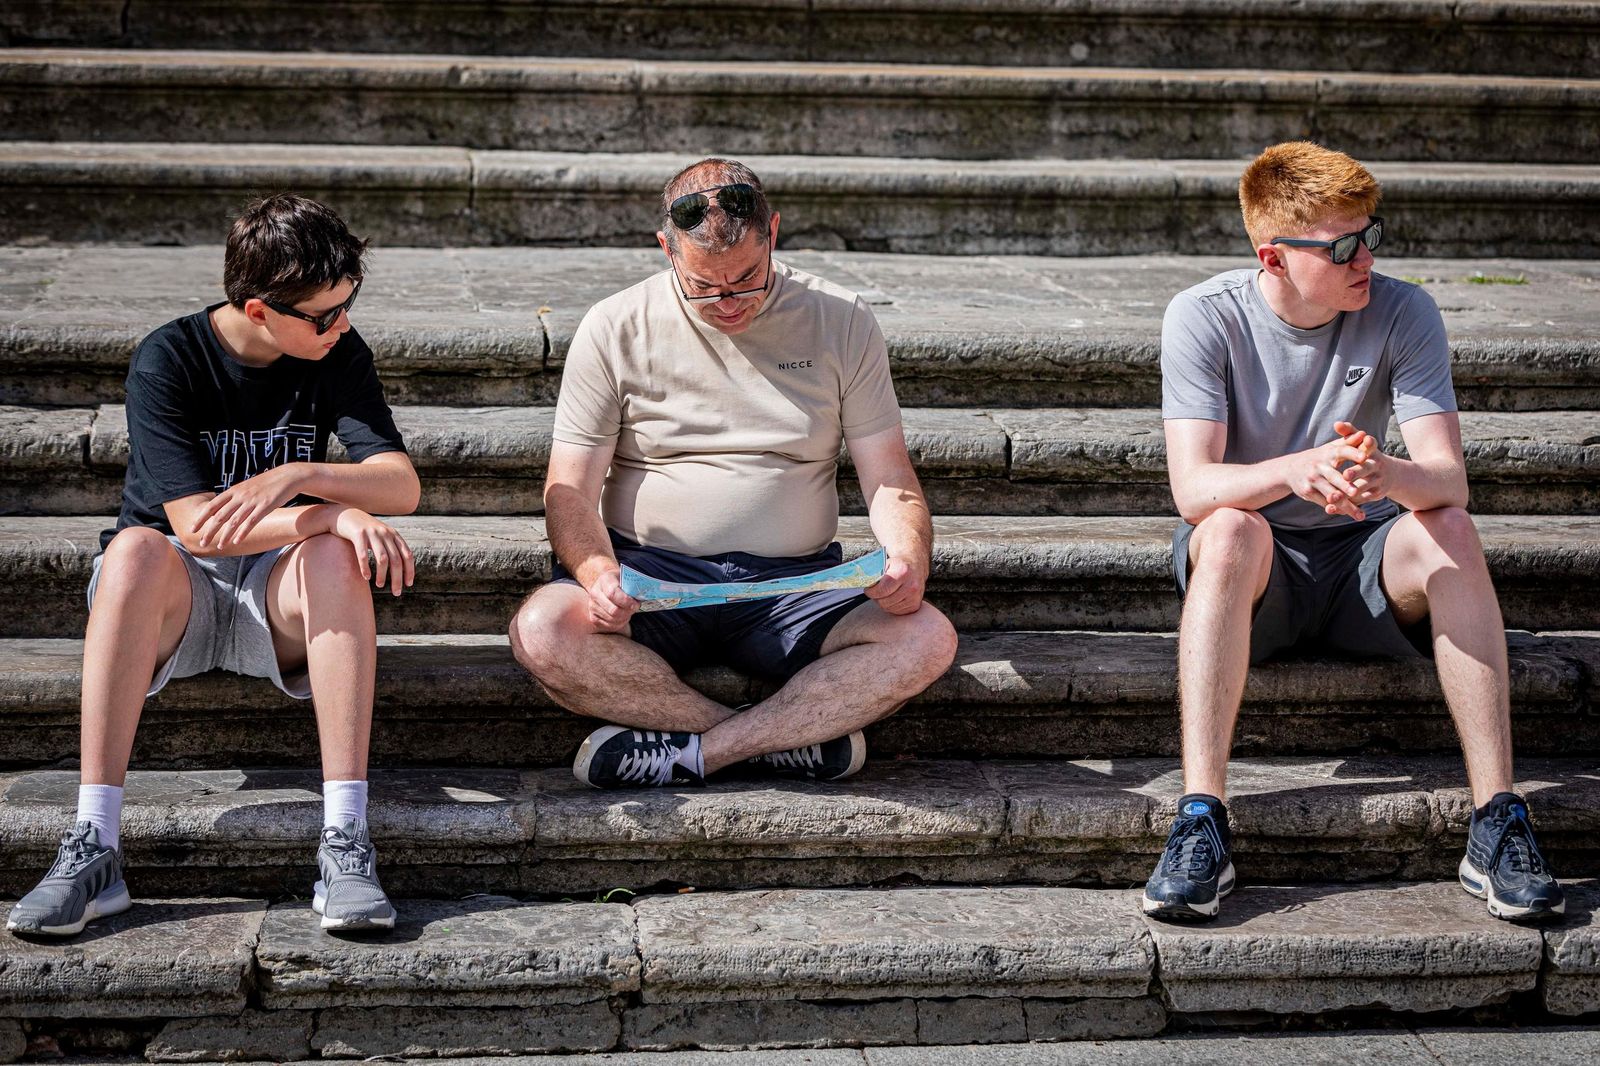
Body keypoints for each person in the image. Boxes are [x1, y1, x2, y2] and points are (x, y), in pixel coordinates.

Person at [1143, 142, 1563, 923]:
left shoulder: (1405, 310)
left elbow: (1449, 479)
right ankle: (1201, 817)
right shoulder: (1203, 316)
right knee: (1230, 529)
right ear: (1273, 256)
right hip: (1256, 568)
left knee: (1454, 531)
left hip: (1363, 561)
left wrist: (1387, 476)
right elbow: (1193, 489)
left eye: (1371, 234)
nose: (1364, 256)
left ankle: (1497, 818)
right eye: (1342, 246)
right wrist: (1295, 469)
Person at [5, 195, 419, 938]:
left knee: (335, 556)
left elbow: (401, 484)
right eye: (323, 315)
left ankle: (346, 840)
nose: (342, 325)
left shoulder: (337, 353)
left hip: (277, 593)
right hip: (176, 595)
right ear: (259, 310)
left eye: (348, 305)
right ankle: (93, 844)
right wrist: (331, 508)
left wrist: (298, 479)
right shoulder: (169, 357)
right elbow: (195, 528)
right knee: (134, 548)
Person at [509, 158, 958, 789]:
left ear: (773, 232)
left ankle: (704, 752)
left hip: (797, 584)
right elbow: (570, 492)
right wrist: (596, 572)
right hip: (650, 577)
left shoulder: (842, 318)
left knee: (927, 639)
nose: (727, 303)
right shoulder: (613, 326)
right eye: (703, 285)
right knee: (542, 630)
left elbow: (890, 478)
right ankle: (775, 740)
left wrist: (908, 557)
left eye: (747, 279)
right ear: (666, 249)